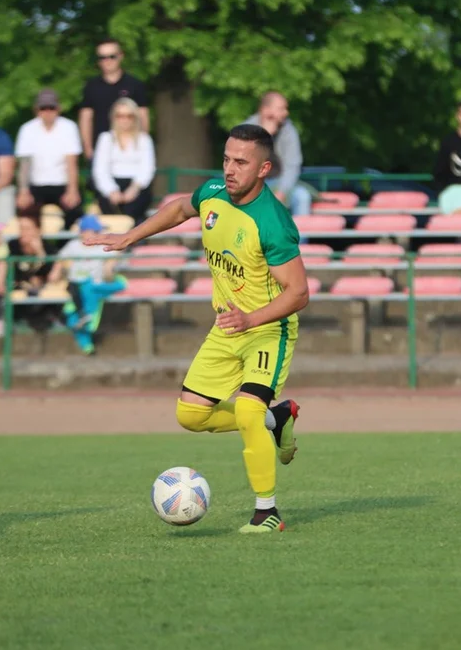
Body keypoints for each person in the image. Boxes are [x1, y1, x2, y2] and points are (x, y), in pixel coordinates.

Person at [85, 124, 308, 533]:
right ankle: (276, 420)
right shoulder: (213, 194)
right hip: (227, 328)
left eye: (241, 162)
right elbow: (178, 209)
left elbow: (298, 293)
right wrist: (130, 236)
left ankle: (267, 511)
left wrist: (251, 319)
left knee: (245, 409)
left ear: (264, 169)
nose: (229, 169)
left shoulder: (273, 222)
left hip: (267, 328)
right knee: (190, 415)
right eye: (226, 158)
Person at [48, 215, 128, 356]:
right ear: (83, 232)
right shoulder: (73, 245)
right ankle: (87, 344)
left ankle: (86, 320)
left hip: (95, 285)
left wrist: (111, 264)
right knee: (75, 316)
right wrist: (56, 271)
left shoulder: (103, 247)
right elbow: (61, 259)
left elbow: (119, 252)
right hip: (78, 286)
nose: (97, 235)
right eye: (94, 231)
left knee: (93, 291)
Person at [15, 88, 84, 229]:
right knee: (26, 213)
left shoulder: (69, 127)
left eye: (51, 108)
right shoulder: (27, 129)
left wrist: (72, 190)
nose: (47, 112)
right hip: (36, 184)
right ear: (36, 110)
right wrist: (23, 191)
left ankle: (63, 247)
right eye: (43, 108)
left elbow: (71, 162)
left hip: (62, 183)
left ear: (58, 109)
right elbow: (24, 165)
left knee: (74, 212)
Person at [79, 38, 150, 160]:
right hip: (100, 152)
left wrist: (142, 147)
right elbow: (86, 118)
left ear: (120, 56)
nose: (107, 61)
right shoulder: (91, 86)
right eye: (102, 57)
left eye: (112, 56)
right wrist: (88, 148)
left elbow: (143, 116)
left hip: (130, 152)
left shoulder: (134, 84)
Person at [244, 91, 312, 216]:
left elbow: (292, 165)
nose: (286, 113)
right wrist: (264, 137)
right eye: (281, 109)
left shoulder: (288, 131)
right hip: (251, 184)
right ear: (265, 110)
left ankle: (297, 236)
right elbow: (243, 164)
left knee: (302, 197)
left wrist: (282, 191)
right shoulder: (245, 129)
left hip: (278, 182)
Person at [91, 97, 156, 221]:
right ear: (114, 117)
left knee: (134, 210)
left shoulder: (144, 140)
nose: (124, 120)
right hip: (111, 185)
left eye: (129, 116)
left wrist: (134, 189)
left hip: (137, 186)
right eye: (120, 116)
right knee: (109, 207)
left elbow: (147, 167)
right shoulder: (106, 138)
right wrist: (111, 190)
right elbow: (100, 169)